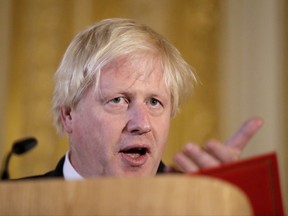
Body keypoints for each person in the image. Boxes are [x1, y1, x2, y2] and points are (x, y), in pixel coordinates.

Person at [28, 18, 263, 179]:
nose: (142, 124)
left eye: (154, 102)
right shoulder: (11, 204)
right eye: (118, 100)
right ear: (68, 114)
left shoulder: (199, 206)